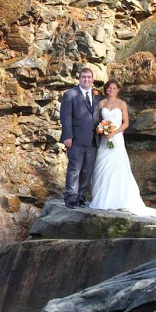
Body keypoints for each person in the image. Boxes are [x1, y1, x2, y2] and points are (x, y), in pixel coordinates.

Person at [89, 79, 156, 218]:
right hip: (105, 139)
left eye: (114, 88)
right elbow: (98, 121)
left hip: (116, 138)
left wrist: (114, 132)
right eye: (109, 88)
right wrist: (102, 129)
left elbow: (126, 123)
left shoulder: (122, 104)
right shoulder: (101, 103)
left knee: (117, 166)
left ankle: (118, 198)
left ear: (118, 90)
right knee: (102, 166)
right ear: (106, 89)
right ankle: (102, 199)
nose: (111, 90)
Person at [60, 67, 101, 208]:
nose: (86, 79)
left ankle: (81, 197)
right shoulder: (70, 94)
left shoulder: (97, 95)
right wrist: (67, 136)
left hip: (93, 140)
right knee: (74, 169)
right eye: (84, 77)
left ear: (92, 79)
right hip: (76, 139)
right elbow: (65, 117)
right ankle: (71, 197)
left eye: (89, 77)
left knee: (87, 170)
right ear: (79, 78)